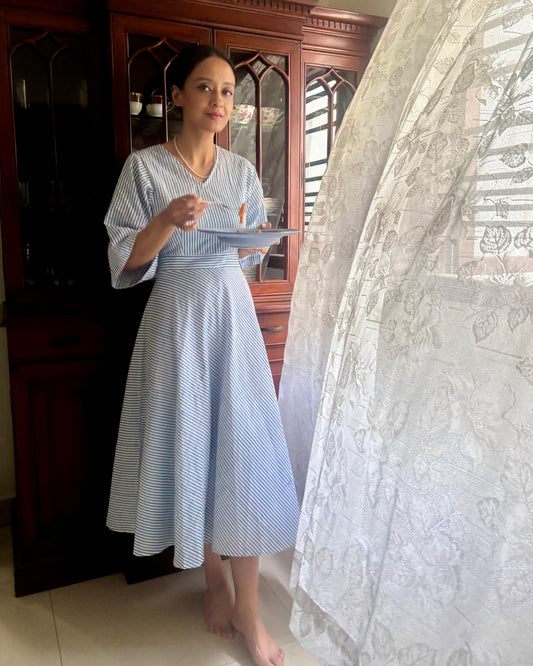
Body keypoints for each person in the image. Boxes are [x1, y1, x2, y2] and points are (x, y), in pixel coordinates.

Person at [104, 44, 300, 666]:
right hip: (174, 319)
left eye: (228, 91)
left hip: (232, 314)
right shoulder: (143, 168)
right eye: (206, 87)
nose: (219, 101)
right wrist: (165, 218)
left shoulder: (241, 171)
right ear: (179, 95)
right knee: (195, 446)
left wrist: (255, 242)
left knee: (244, 449)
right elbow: (125, 263)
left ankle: (250, 608)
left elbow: (246, 250)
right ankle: (213, 579)